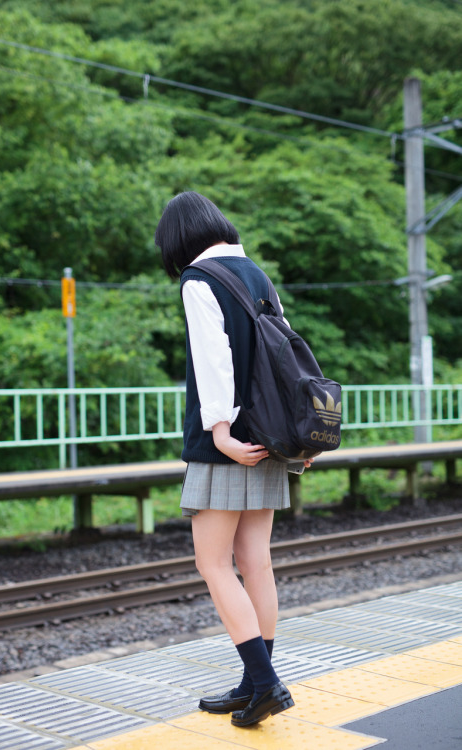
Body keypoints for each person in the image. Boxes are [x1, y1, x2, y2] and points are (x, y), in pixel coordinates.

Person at [155, 191, 313, 728]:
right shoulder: (258, 276)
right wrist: (300, 438)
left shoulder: (199, 280)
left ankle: (266, 683)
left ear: (178, 238)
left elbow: (213, 358)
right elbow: (290, 356)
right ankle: (253, 683)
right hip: (270, 437)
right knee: (256, 562)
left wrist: (219, 430)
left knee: (213, 563)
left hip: (228, 444)